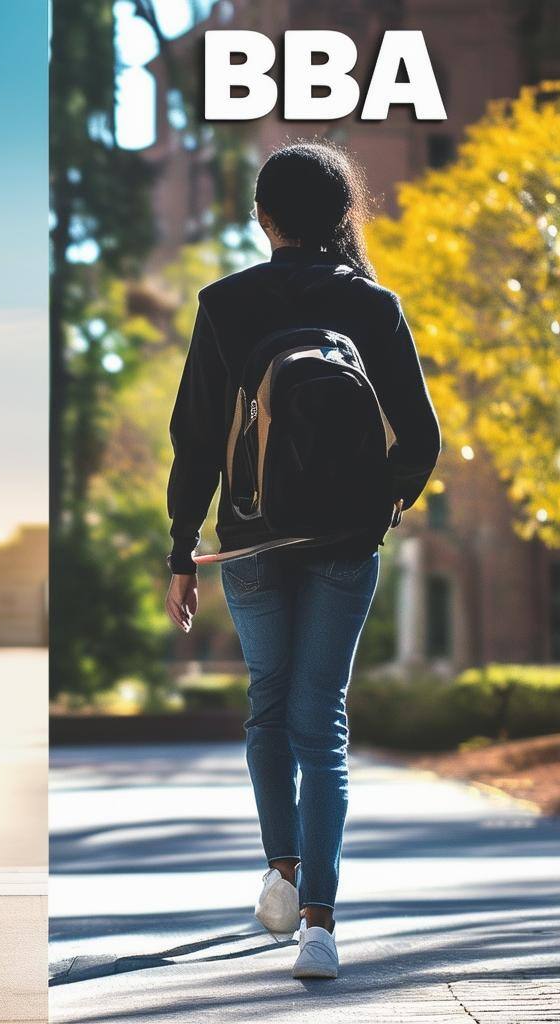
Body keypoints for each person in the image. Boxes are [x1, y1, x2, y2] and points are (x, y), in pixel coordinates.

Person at [164, 141, 440, 979]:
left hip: (247, 538)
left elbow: (196, 440)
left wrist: (182, 548)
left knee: (268, 705)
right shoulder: (377, 304)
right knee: (323, 723)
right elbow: (420, 440)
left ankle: (280, 875)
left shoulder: (224, 303)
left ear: (264, 218)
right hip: (344, 544)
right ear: (346, 213)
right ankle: (320, 926)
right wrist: (378, 511)